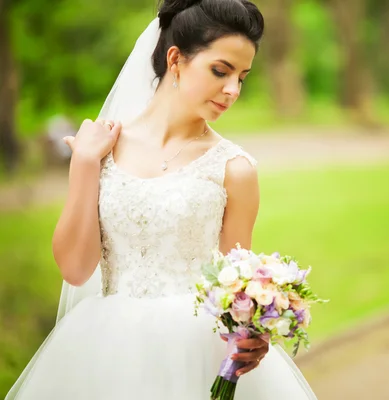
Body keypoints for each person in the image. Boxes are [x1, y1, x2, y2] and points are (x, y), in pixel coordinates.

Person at [6, 0, 316, 399]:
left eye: (242, 77)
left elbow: (236, 291)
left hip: (195, 354)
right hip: (104, 351)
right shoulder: (101, 149)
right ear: (176, 60)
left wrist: (250, 334)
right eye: (220, 71)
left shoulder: (235, 169)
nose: (232, 90)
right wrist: (84, 163)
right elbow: (74, 269)